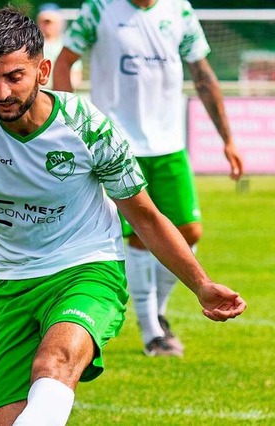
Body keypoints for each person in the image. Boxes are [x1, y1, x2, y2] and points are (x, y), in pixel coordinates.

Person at [0, 7, 246, 426]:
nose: (0, 93)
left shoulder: (87, 126)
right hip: (14, 285)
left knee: (54, 362)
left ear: (43, 70)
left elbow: (145, 217)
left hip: (88, 270)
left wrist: (200, 284)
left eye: (14, 77)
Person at [53, 0, 244, 357]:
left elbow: (202, 74)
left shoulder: (180, 11)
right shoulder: (99, 8)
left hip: (169, 144)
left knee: (189, 230)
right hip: (116, 141)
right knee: (141, 234)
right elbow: (64, 61)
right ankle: (153, 330)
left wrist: (227, 138)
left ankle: (156, 311)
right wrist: (72, 122)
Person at [36, 3, 82, 90]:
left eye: (49, 22)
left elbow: (76, 76)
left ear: (59, 23)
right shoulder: (31, 46)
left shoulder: (68, 46)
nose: (46, 26)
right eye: (43, 22)